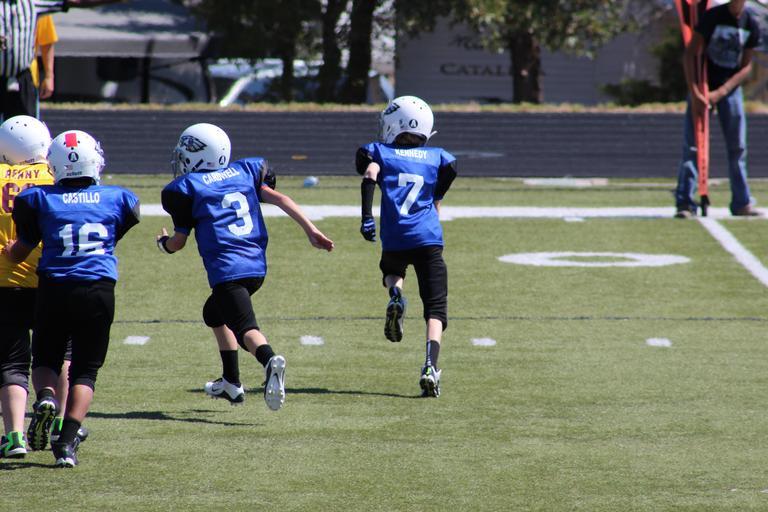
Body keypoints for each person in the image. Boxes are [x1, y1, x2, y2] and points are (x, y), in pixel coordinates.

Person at [158, 123, 334, 411]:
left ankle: (269, 360)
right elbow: (281, 199)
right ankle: (231, 382)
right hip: (255, 267)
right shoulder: (244, 172)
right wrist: (311, 230)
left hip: (227, 271)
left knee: (245, 329)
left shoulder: (187, 188)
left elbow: (179, 242)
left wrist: (163, 244)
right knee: (213, 313)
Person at [3, 129, 140, 467]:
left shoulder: (38, 199)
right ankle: (66, 444)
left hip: (54, 287)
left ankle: (46, 397)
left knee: (45, 359)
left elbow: (20, 253)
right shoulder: (118, 198)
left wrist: (10, 251)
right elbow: (117, 231)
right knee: (85, 370)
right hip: (98, 289)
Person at [356, 95, 457, 398]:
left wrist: (366, 217)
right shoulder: (438, 157)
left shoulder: (380, 152)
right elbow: (441, 187)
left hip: (396, 235)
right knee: (435, 307)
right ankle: (430, 366)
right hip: (428, 237)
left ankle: (396, 295)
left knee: (392, 270)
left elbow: (369, 174)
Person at [674, 0, 762, 218]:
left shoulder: (750, 22)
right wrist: (696, 92)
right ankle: (685, 202)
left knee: (737, 147)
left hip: (729, 90)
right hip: (703, 85)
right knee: (693, 146)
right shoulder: (713, 16)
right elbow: (690, 54)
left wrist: (722, 92)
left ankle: (742, 202)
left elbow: (746, 66)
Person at [0, 115, 53, 458]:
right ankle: (60, 421)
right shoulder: (56, 176)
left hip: (4, 279)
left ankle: (14, 437)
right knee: (58, 355)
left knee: (10, 362)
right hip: (52, 278)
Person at [0, 0, 124, 121]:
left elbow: (76, 2)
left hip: (23, 77)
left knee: (28, 127)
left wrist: (49, 76)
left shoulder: (32, 4)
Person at [31, 15, 58, 116]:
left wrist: (49, 76)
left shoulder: (36, 7)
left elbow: (47, 41)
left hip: (26, 76)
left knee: (28, 122)